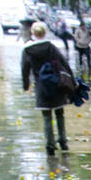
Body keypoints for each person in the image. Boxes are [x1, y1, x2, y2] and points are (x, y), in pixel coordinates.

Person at [22, 20, 76, 155]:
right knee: (59, 114)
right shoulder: (51, 47)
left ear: (33, 33)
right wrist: (72, 80)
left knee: (46, 116)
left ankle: (50, 145)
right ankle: (63, 141)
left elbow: (24, 68)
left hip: (41, 86)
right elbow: (64, 63)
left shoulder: (27, 50)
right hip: (55, 84)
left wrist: (26, 85)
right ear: (45, 33)